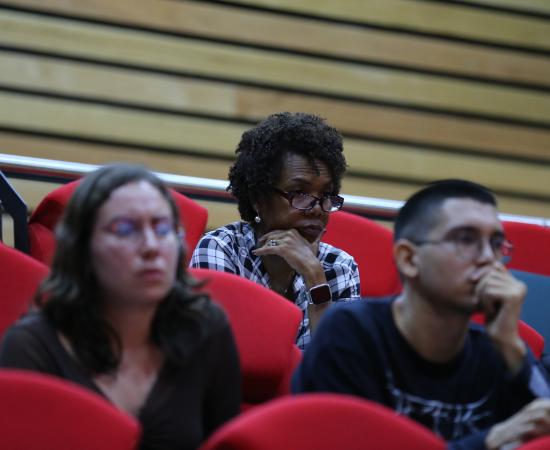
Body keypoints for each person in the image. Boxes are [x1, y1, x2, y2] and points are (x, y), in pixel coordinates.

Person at [292, 179, 550, 449]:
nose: (488, 258)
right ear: (408, 259)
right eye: (466, 240)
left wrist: (512, 346)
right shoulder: (352, 334)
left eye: (496, 244)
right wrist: (488, 442)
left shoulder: (497, 350)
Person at [0, 164, 241, 450]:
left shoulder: (206, 329)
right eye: (125, 229)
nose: (151, 246)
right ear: (82, 248)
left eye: (163, 228)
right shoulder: (30, 347)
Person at [190, 112, 361, 349]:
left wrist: (314, 277)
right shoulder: (222, 249)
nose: (317, 209)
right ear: (259, 198)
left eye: (326, 195)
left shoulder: (339, 266)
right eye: (299, 193)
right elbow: (220, 354)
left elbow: (338, 365)